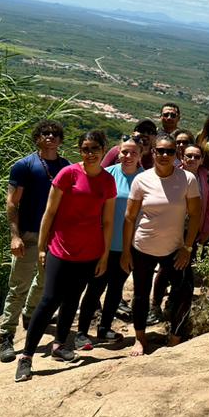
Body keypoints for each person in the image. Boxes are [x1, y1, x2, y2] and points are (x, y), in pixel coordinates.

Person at [13, 131, 117, 382]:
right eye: (84, 148)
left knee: (72, 299)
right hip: (61, 249)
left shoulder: (106, 181)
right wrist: (41, 247)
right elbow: (49, 213)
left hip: (90, 252)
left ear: (104, 150)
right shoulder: (68, 174)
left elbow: (107, 220)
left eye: (94, 148)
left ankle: (59, 345)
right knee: (49, 300)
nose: (89, 153)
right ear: (79, 150)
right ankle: (26, 357)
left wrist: (103, 255)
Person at [122, 134, 201, 353]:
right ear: (153, 152)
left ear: (176, 154)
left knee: (183, 291)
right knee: (140, 294)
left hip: (174, 249)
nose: (165, 155)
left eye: (170, 151)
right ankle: (140, 337)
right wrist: (126, 252)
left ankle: (175, 336)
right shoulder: (142, 179)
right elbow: (130, 217)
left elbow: (196, 214)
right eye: (160, 151)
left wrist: (187, 247)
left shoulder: (187, 179)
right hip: (143, 247)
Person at [0, 120, 69, 364]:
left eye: (54, 134)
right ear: (37, 138)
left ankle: (30, 316)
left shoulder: (65, 167)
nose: (50, 137)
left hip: (53, 237)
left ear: (60, 140)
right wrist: (15, 235)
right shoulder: (24, 166)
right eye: (45, 133)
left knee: (44, 283)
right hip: (28, 234)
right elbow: (11, 202)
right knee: (19, 286)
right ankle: (6, 335)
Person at [74, 134, 143, 348]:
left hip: (128, 247)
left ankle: (104, 328)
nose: (128, 156)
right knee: (94, 289)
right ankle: (82, 333)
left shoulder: (146, 179)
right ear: (118, 153)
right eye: (124, 152)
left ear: (141, 155)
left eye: (133, 152)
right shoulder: (107, 175)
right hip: (102, 245)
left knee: (116, 289)